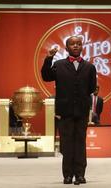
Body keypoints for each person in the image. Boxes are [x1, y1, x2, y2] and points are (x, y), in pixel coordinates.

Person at [41, 36, 97, 185]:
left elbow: (92, 88)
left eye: (79, 44)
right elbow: (46, 76)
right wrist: (49, 58)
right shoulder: (58, 65)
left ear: (82, 47)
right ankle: (67, 175)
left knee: (80, 143)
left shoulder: (90, 67)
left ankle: (80, 174)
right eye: (72, 44)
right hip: (64, 111)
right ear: (66, 48)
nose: (76, 46)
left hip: (82, 111)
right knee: (66, 143)